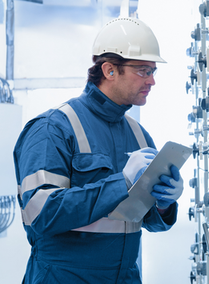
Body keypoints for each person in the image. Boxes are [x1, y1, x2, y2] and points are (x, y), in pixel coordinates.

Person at [13, 17, 184, 283]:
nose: (151, 82)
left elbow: (145, 220)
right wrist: (122, 182)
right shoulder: (53, 128)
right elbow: (41, 212)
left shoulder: (140, 135)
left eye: (153, 72)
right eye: (143, 71)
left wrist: (164, 205)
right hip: (63, 276)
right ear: (109, 70)